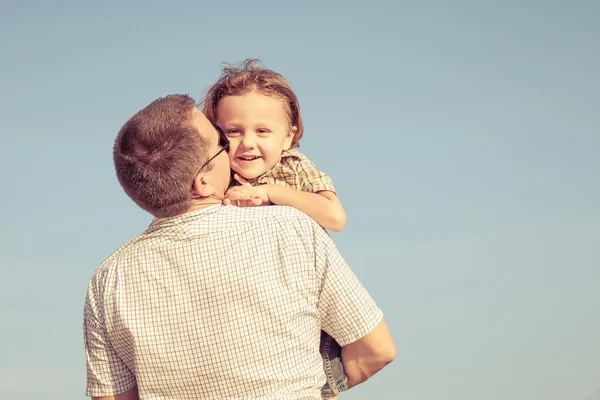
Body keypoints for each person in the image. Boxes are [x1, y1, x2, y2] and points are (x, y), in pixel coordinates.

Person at [83, 94, 395, 400]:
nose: (234, 147)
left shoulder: (107, 280)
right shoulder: (290, 227)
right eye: (222, 141)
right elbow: (376, 351)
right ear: (201, 181)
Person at [202, 59, 346, 399]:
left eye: (262, 131)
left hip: (299, 297)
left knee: (318, 383)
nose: (247, 143)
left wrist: (271, 194)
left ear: (288, 136)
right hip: (246, 302)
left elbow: (335, 216)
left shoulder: (294, 166)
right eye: (233, 132)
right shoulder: (217, 175)